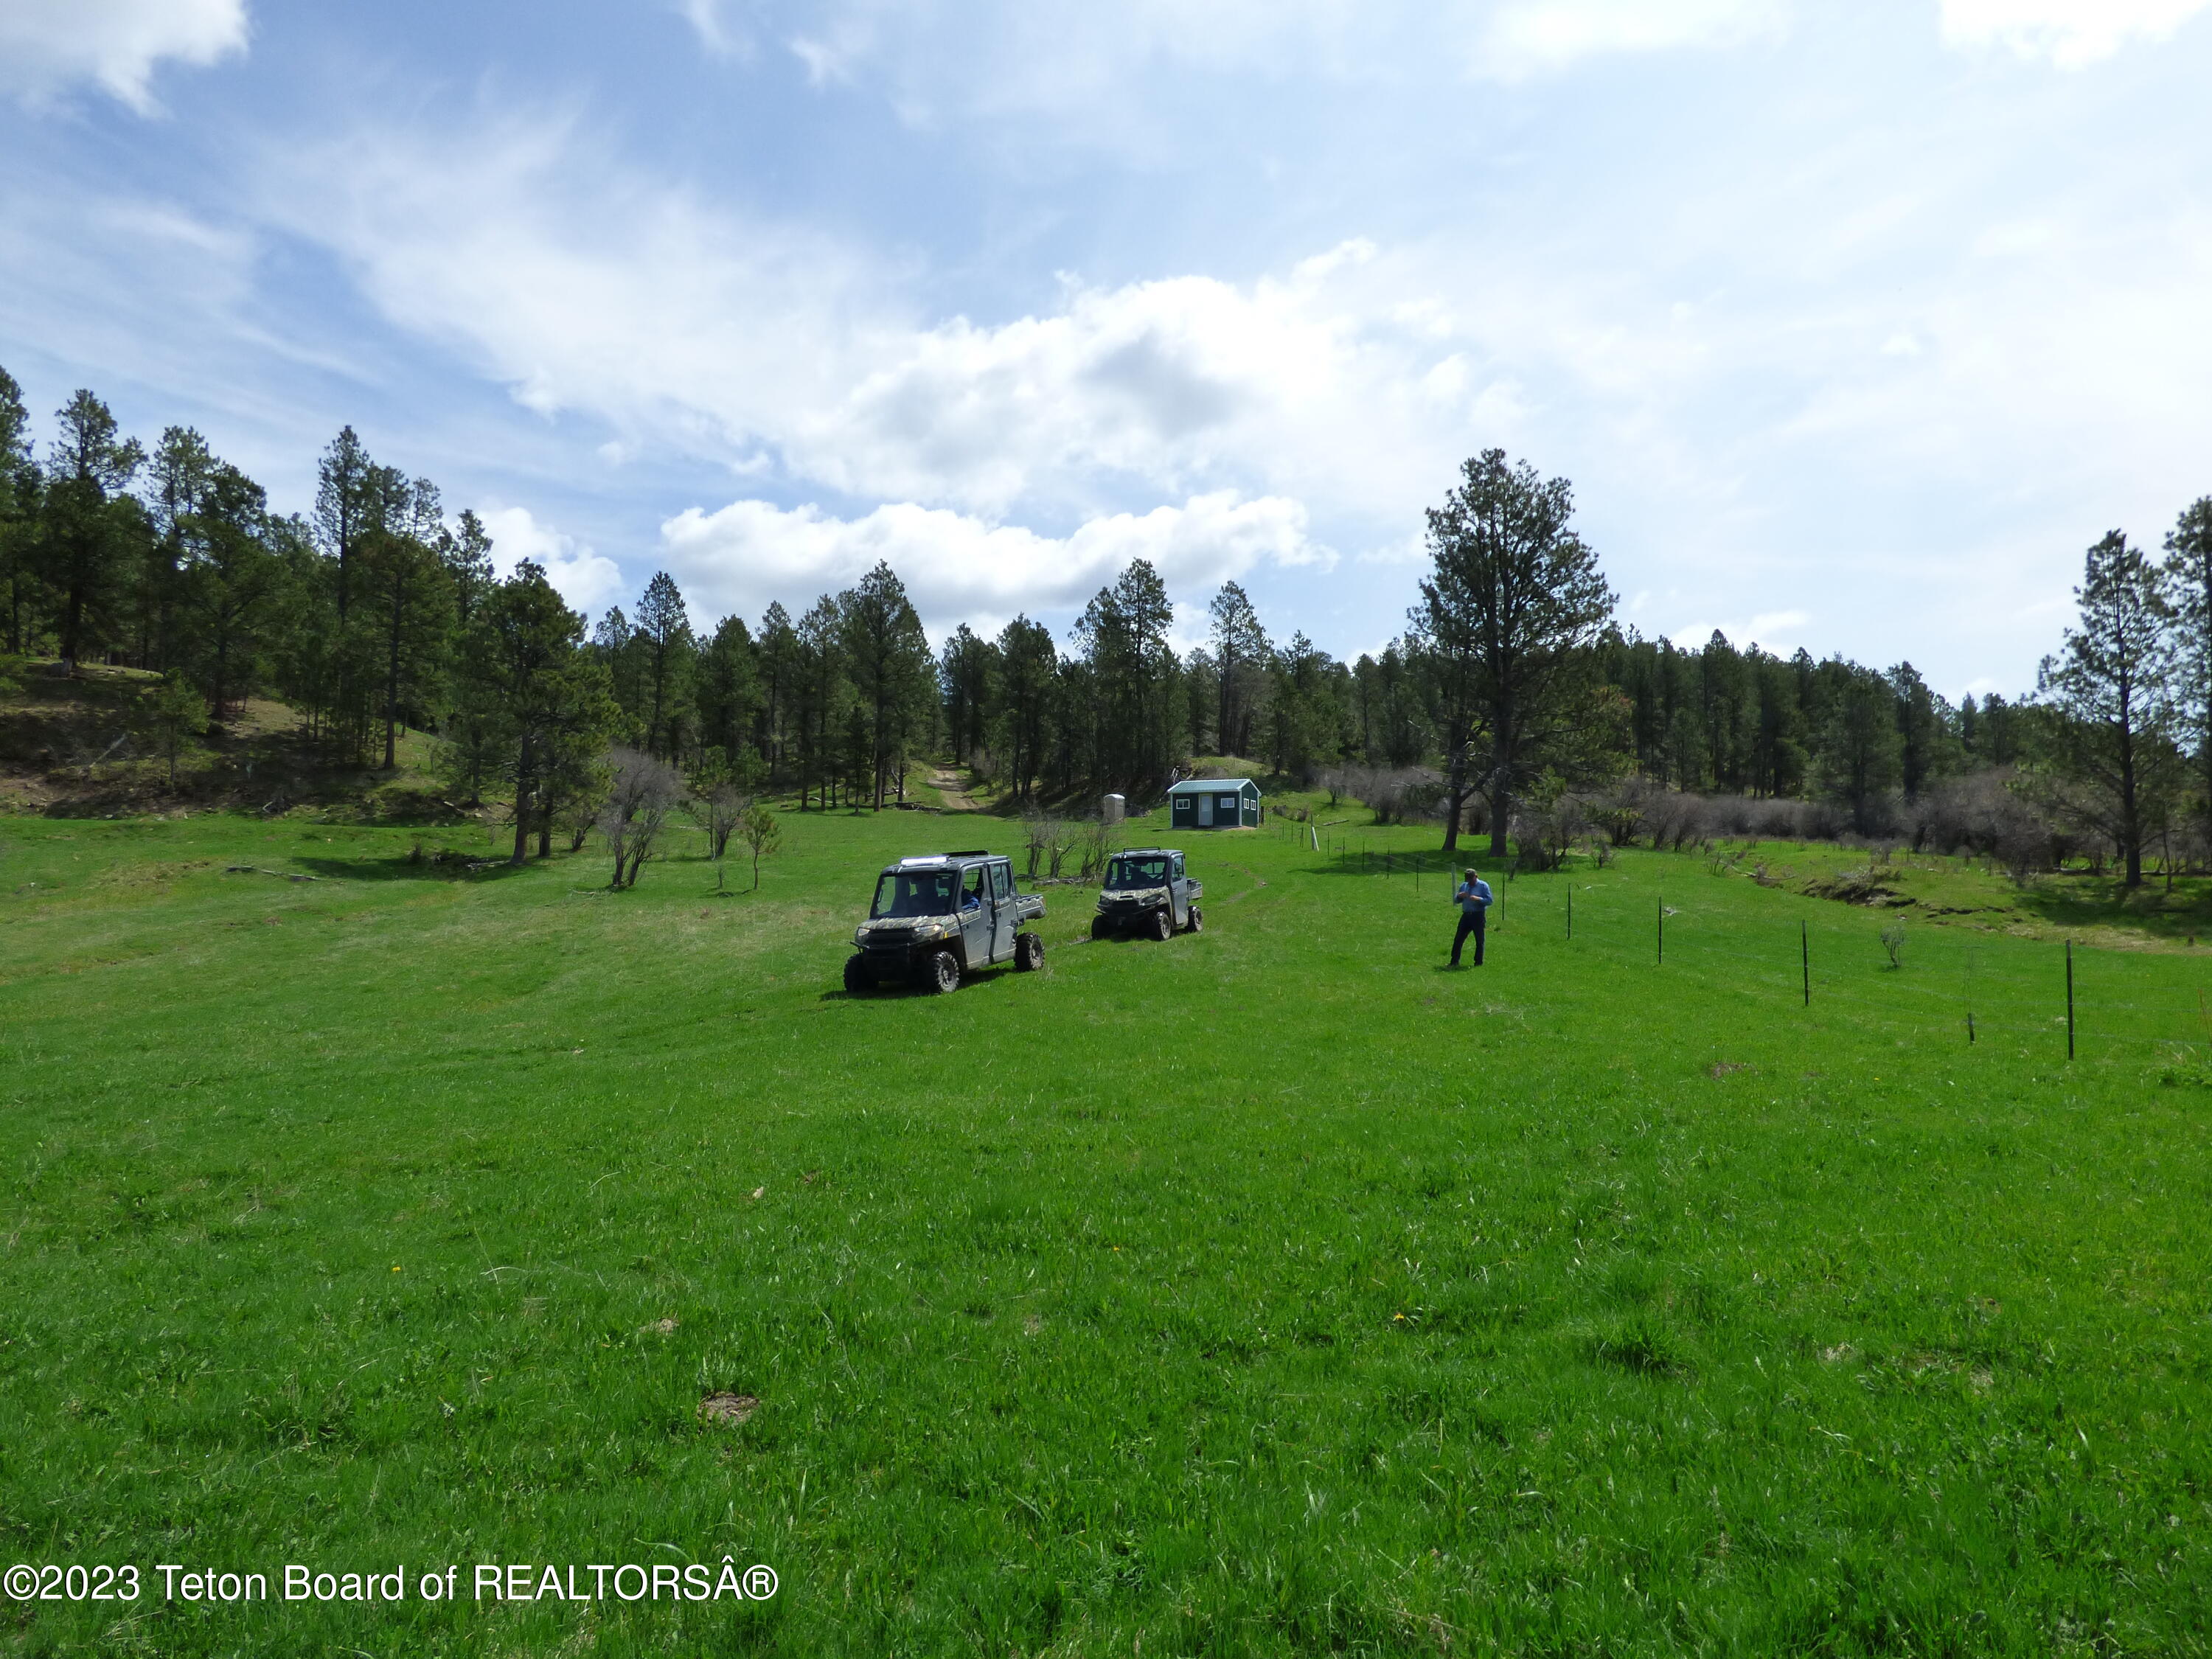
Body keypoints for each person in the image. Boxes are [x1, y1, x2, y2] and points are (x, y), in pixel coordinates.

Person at [1450, 867, 1492, 967]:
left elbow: (1489, 901)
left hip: (1478, 916)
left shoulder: (1483, 886)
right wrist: (1459, 896)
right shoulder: (1464, 886)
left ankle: (1478, 963)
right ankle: (1454, 962)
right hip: (1466, 916)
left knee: (1479, 940)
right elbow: (1456, 901)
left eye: (1471, 880)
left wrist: (1478, 899)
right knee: (1458, 939)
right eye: (1467, 880)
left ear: (1476, 876)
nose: (1469, 882)